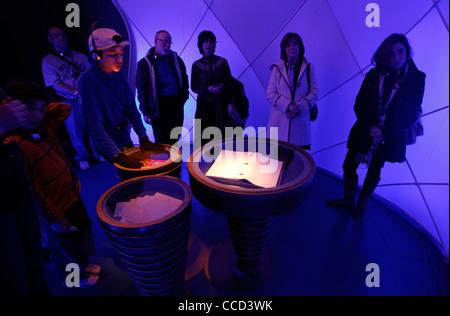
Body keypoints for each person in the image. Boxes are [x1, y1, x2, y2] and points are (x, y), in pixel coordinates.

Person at [2, 81, 100, 288]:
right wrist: (54, 218)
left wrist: (39, 112)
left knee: (80, 236)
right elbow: (33, 190)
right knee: (65, 249)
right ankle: (72, 280)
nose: (36, 114)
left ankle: (82, 267)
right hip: (54, 209)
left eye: (40, 109)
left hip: (71, 196)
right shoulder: (14, 143)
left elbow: (64, 109)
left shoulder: (43, 127)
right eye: (29, 109)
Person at [326, 33, 426, 218]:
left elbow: (411, 112)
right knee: (349, 164)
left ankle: (362, 204)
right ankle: (348, 199)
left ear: (407, 52)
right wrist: (372, 126)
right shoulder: (375, 74)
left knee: (375, 169)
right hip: (366, 130)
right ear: (384, 55)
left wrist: (385, 133)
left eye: (401, 52)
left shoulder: (416, 79)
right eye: (391, 54)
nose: (396, 58)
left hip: (389, 136)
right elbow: (359, 103)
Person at [81, 27, 164, 169]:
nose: (119, 59)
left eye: (121, 53)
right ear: (97, 56)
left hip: (125, 140)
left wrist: (143, 136)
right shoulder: (89, 81)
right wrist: (116, 155)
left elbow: (131, 108)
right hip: (109, 148)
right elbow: (95, 126)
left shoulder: (118, 75)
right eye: (113, 54)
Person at [42, 26, 95, 171]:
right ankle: (83, 157)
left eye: (62, 35)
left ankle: (99, 153)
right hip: (68, 101)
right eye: (56, 36)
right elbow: (54, 84)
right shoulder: (48, 61)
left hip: (86, 99)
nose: (60, 38)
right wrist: (75, 92)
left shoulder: (79, 56)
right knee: (75, 131)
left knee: (93, 127)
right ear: (50, 39)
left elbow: (90, 74)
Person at [266, 32, 319, 150]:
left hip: (300, 128)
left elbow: (314, 92)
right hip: (279, 126)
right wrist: (288, 105)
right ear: (284, 49)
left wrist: (299, 108)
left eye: (295, 44)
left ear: (300, 46)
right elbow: (270, 94)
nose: (292, 47)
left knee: (297, 165)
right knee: (277, 165)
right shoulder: (277, 68)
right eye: (288, 45)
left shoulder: (309, 68)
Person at [136, 30, 189, 145]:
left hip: (175, 103)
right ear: (155, 41)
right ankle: (164, 162)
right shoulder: (144, 64)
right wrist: (145, 111)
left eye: (169, 42)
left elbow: (185, 82)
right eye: (164, 42)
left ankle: (174, 162)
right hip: (158, 106)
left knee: (175, 137)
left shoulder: (177, 60)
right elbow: (142, 90)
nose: (167, 45)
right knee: (161, 140)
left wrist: (182, 100)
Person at [191, 30, 234, 147]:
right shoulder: (196, 65)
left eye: (210, 42)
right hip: (204, 107)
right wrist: (208, 89)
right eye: (205, 42)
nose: (208, 45)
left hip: (221, 105)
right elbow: (194, 87)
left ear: (214, 44)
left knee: (222, 139)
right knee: (204, 140)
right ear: (200, 44)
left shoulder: (222, 62)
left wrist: (223, 86)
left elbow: (230, 82)